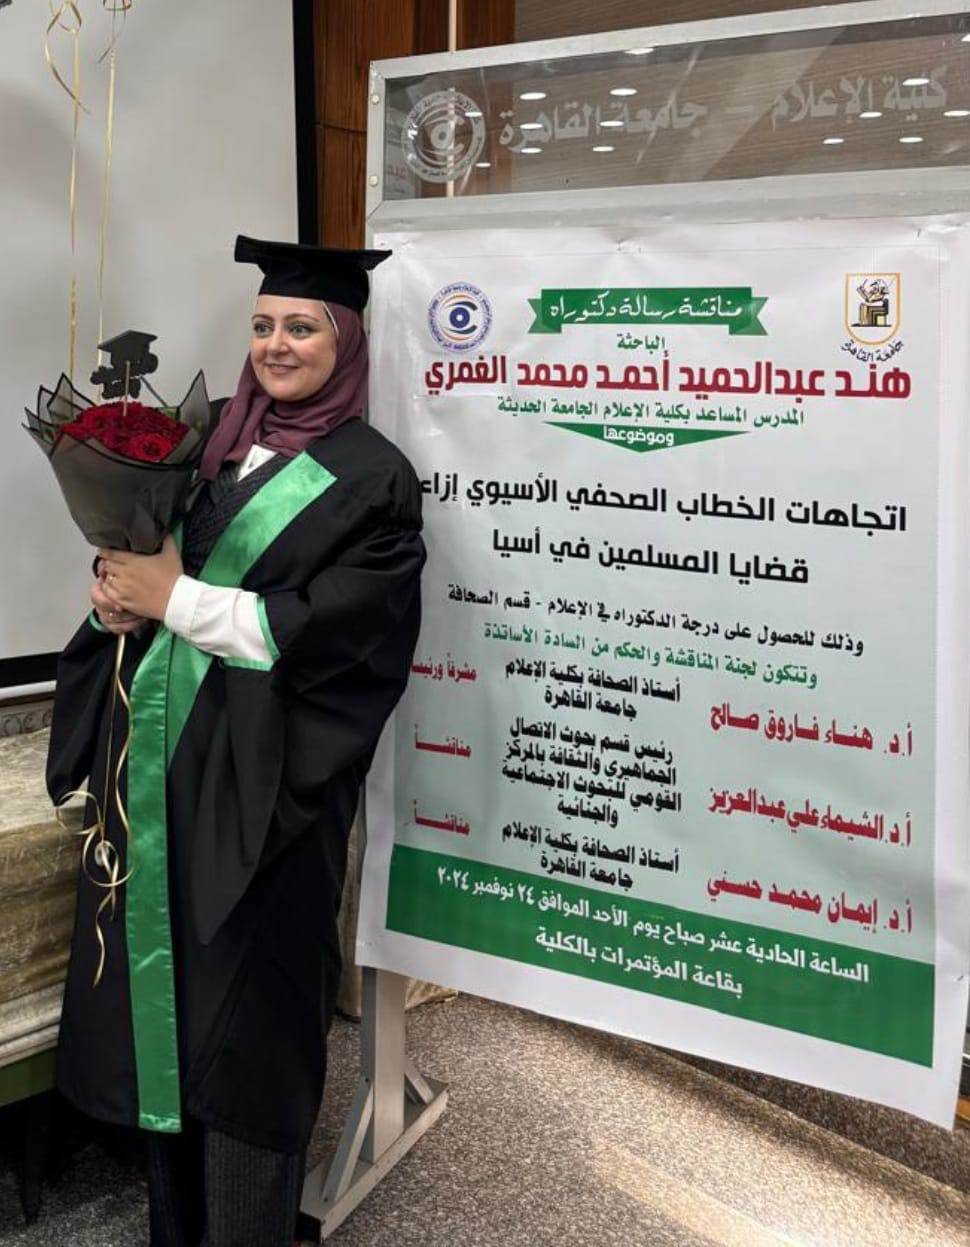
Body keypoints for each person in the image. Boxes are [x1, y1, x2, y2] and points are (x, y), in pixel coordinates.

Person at [46, 235, 425, 1246]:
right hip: (161, 773)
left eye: (302, 326)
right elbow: (144, 566)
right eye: (263, 325)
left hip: (266, 800)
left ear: (345, 344)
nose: (276, 344)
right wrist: (117, 601)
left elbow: (339, 631)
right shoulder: (206, 443)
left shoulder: (374, 480)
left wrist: (175, 599)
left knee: (250, 1028)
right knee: (163, 1005)